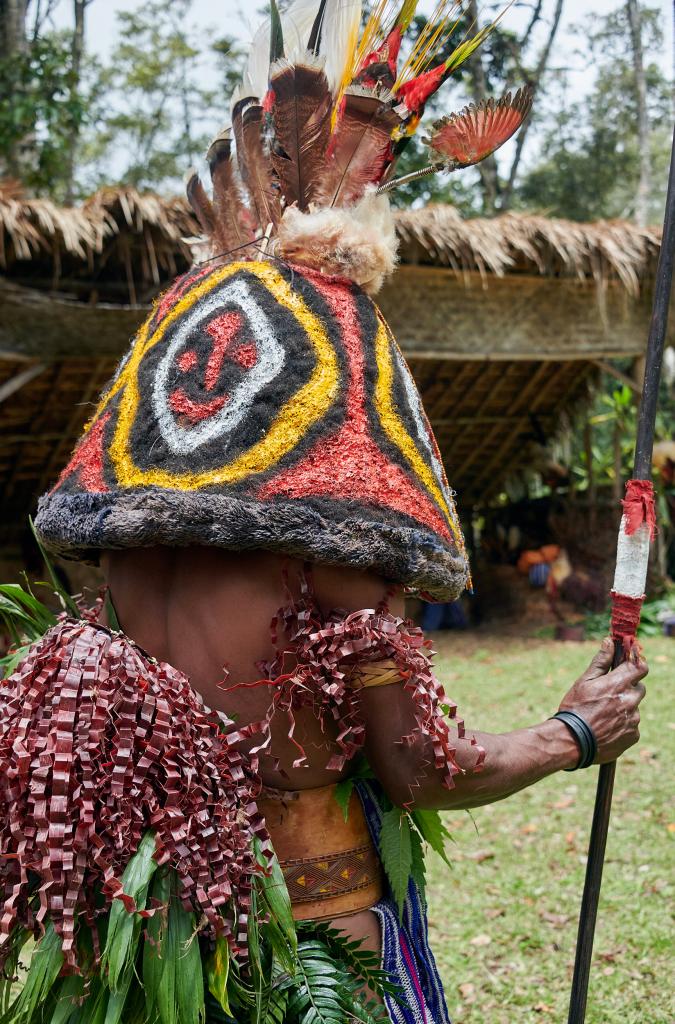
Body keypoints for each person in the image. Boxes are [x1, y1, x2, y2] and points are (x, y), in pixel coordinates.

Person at [0, 3, 647, 1022]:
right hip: (313, 952)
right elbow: (418, 765)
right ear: (342, 381)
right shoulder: (335, 553)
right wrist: (575, 728)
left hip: (157, 941)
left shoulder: (130, 553)